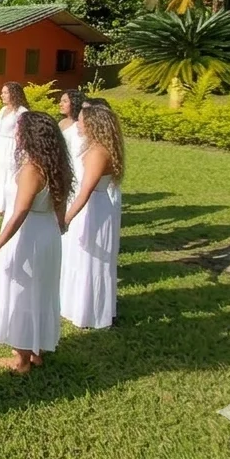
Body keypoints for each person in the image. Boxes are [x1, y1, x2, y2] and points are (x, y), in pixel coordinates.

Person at [0, 111, 72, 374]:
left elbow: (20, 211)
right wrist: (60, 225)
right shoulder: (57, 164)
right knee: (40, 292)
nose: (17, 134)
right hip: (47, 232)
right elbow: (60, 205)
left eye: (20, 129)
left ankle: (22, 360)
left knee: (21, 292)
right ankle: (34, 350)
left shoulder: (33, 168)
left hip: (28, 235)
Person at [60, 102, 126, 330]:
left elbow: (86, 190)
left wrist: (66, 218)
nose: (77, 124)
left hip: (92, 209)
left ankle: (89, 311)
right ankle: (74, 305)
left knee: (90, 260)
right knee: (78, 257)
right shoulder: (94, 147)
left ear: (92, 124)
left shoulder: (98, 152)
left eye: (81, 120)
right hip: (92, 206)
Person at [0, 83, 29, 215]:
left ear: (14, 94)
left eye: (5, 93)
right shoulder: (3, 110)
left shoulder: (21, 112)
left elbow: (24, 133)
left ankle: (6, 206)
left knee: (8, 173)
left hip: (11, 146)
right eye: (2, 92)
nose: (2, 95)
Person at [58, 89, 88, 190]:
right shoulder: (61, 122)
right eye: (61, 101)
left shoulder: (79, 126)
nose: (60, 104)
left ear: (74, 103)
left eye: (65, 101)